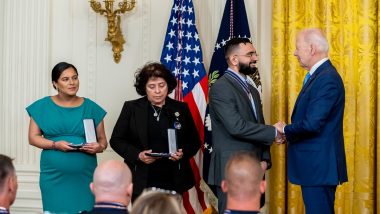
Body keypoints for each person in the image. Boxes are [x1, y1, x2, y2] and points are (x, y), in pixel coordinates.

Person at [274, 28, 347, 214]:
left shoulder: (326, 78)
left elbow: (313, 124)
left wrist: (285, 129)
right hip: (315, 168)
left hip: (319, 168)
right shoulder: (320, 76)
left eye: (298, 48)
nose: (295, 53)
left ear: (312, 48)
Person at [207, 37, 283, 213]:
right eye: (250, 54)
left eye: (255, 53)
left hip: (255, 169)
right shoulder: (221, 88)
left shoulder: (253, 91)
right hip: (231, 170)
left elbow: (258, 125)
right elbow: (236, 126)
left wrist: (264, 160)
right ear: (234, 59)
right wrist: (275, 131)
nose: (255, 58)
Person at [110, 62, 201, 201]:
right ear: (144, 88)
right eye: (152, 87)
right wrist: (138, 155)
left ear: (168, 85)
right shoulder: (132, 108)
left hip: (173, 179)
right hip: (141, 179)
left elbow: (194, 141)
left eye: (161, 85)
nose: (157, 91)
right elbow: (116, 140)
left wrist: (182, 154)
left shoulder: (181, 108)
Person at [26, 62, 108, 213]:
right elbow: (33, 137)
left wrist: (99, 147)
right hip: (53, 177)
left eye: (75, 78)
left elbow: (103, 140)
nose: (72, 82)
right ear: (55, 83)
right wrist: (55, 145)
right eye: (65, 79)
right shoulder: (42, 106)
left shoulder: (91, 107)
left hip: (85, 177)